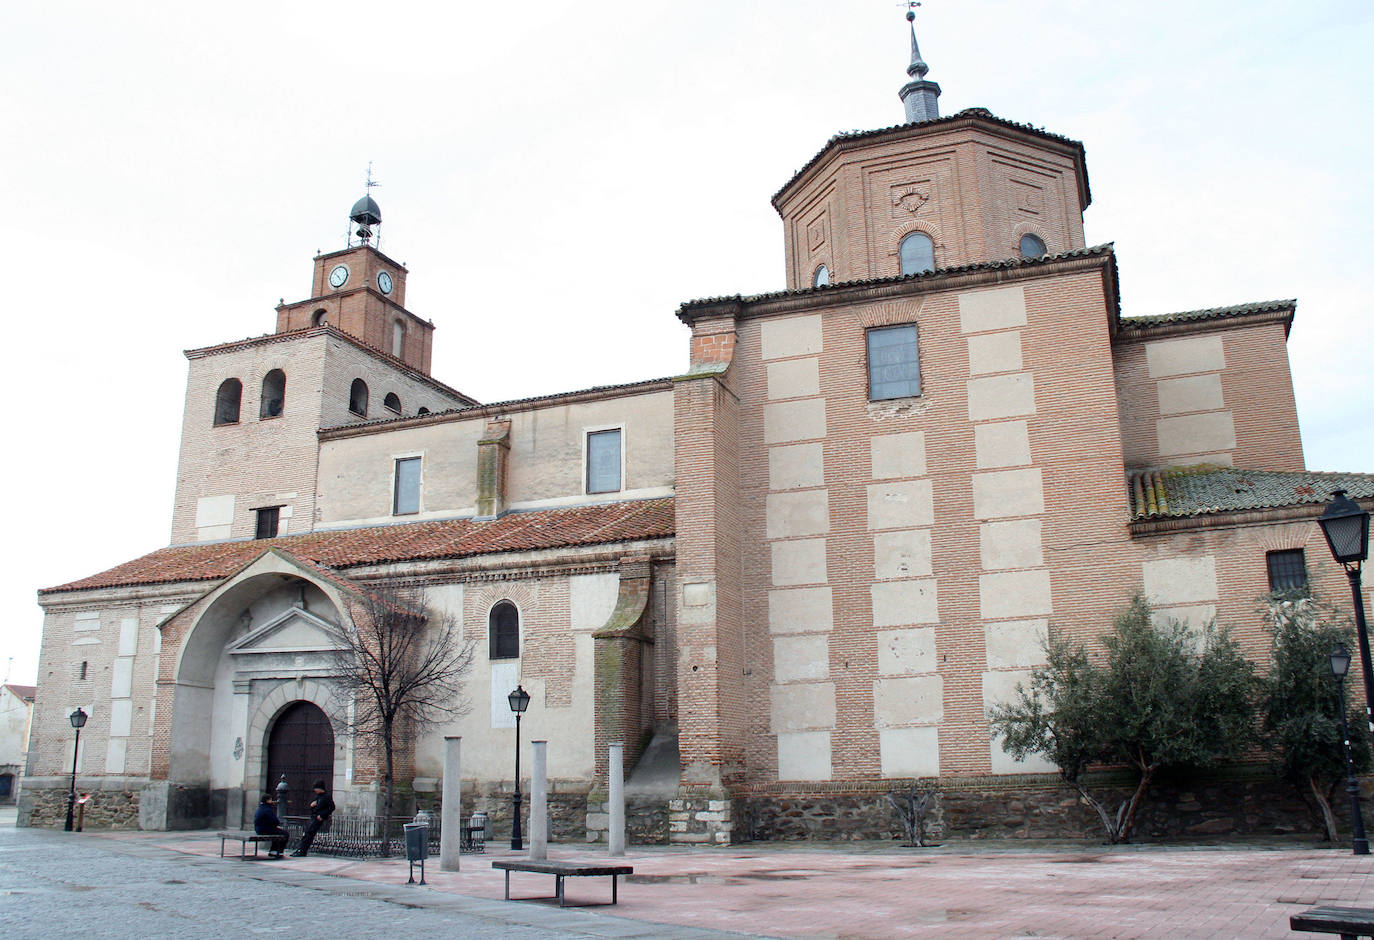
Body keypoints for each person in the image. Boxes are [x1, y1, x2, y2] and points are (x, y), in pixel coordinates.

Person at [291, 779, 334, 857]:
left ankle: (302, 850)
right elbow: (314, 807)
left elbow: (331, 808)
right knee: (307, 833)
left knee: (309, 834)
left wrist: (322, 815)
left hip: (318, 818)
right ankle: (300, 849)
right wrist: (312, 806)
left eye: (316, 788)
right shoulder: (318, 796)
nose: (315, 790)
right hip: (313, 817)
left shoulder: (327, 796)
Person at [254, 793, 289, 858]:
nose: (272, 801)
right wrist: (276, 825)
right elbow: (275, 820)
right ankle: (279, 852)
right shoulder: (267, 809)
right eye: (271, 800)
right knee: (285, 834)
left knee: (277, 833)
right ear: (267, 801)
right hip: (265, 829)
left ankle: (273, 851)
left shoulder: (260, 808)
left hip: (259, 829)